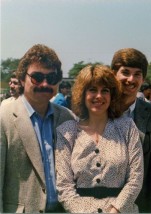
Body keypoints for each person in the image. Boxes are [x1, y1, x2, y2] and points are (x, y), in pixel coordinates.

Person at [55, 65, 143, 213]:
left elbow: (136, 177)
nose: (99, 96)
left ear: (112, 95)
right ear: (82, 94)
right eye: (92, 90)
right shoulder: (67, 132)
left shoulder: (127, 126)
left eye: (105, 91)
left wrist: (116, 209)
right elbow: (64, 186)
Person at [0, 44, 76, 213]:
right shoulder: (3, 117)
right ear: (21, 79)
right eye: (37, 77)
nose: (44, 83)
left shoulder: (68, 118)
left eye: (51, 78)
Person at [111, 48, 151, 213]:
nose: (130, 79)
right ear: (113, 74)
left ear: (143, 79)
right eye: (125, 72)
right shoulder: (99, 110)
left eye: (137, 74)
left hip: (139, 204)